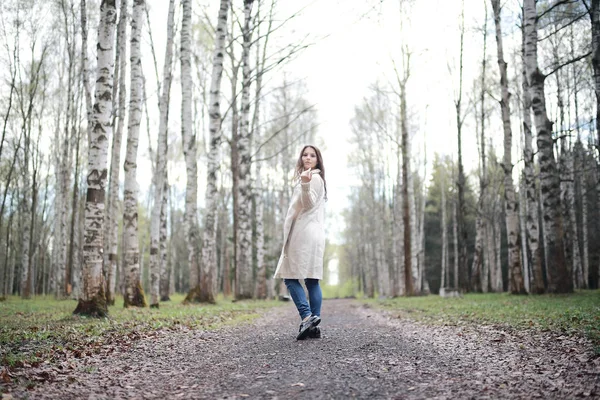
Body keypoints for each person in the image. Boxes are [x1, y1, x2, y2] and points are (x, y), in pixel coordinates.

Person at [273, 145, 327, 340]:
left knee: (289, 276)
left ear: (318, 159)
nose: (308, 158)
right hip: (314, 233)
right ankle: (314, 324)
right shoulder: (316, 178)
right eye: (305, 154)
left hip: (303, 233)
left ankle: (307, 317)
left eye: (312, 155)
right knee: (312, 279)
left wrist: (304, 183)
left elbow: (309, 203)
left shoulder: (313, 178)